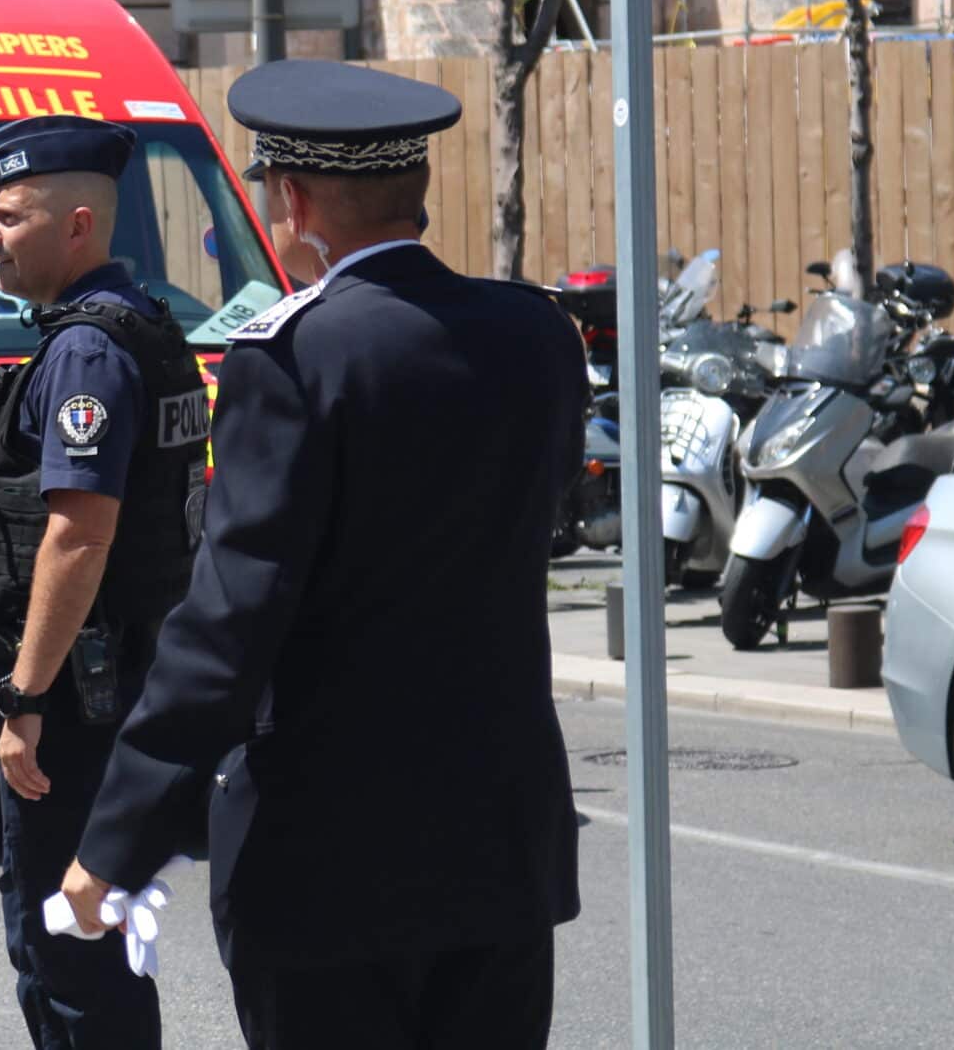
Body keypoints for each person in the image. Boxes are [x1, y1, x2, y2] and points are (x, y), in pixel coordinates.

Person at [63, 60, 584, 1050]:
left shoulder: (293, 354)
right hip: (499, 836)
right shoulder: (535, 332)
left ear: (293, 201)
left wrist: (117, 837)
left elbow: (227, 623)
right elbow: (541, 519)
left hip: (331, 852)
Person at [0, 114, 210, 1050]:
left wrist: (25, 693)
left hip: (79, 693)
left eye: (8, 215)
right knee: (85, 943)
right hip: (125, 671)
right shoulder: (144, 325)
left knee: (64, 949)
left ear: (76, 224)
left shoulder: (89, 351)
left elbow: (78, 531)